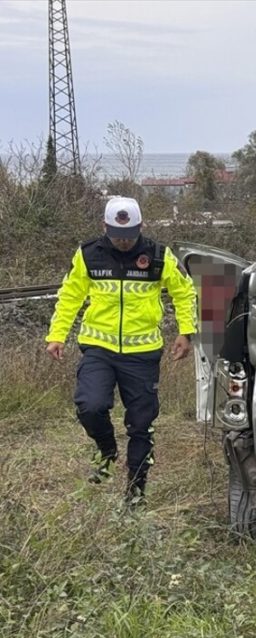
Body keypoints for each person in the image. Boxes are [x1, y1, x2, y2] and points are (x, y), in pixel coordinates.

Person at [45, 196, 197, 508]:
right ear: (105, 227)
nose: (124, 242)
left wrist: (186, 331)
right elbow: (70, 296)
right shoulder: (89, 255)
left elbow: (184, 292)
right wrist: (57, 335)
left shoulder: (158, 255)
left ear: (142, 228)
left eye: (130, 236)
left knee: (141, 425)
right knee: (90, 406)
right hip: (98, 348)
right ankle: (107, 450)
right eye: (118, 236)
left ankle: (136, 493)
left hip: (142, 354)